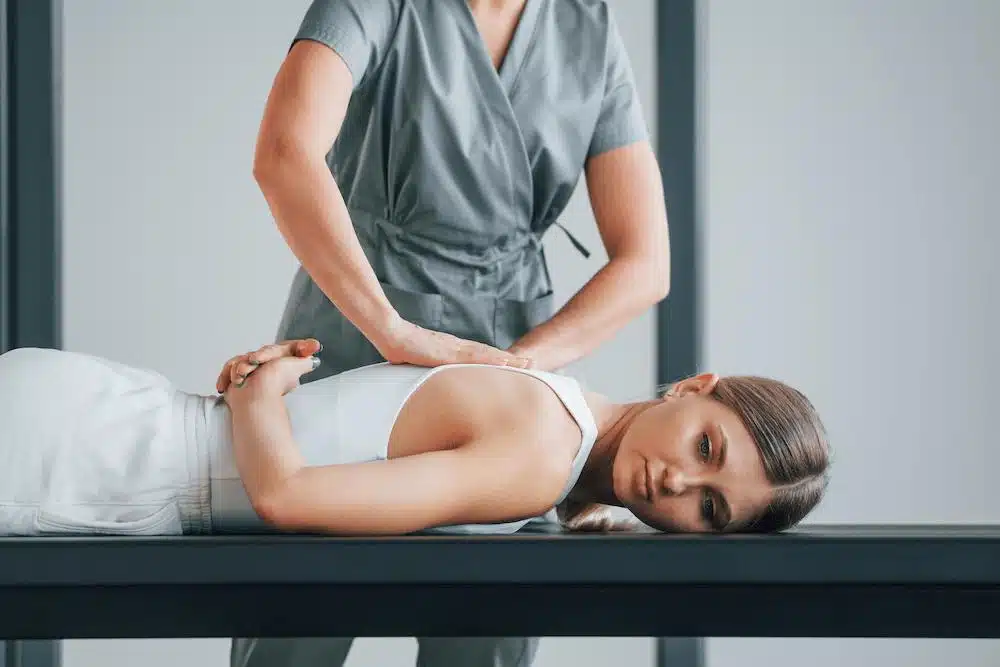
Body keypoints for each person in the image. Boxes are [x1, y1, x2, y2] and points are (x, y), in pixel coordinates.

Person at [253, 1, 670, 660]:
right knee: (298, 626)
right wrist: (391, 329)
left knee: (484, 635)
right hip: (356, 331)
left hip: (505, 366)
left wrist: (524, 367)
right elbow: (284, 153)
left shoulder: (585, 27)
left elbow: (647, 263)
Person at [0, 341, 830, 539]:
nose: (677, 484)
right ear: (695, 387)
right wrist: (259, 390)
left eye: (712, 509)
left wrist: (579, 507)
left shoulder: (551, 402)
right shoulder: (543, 452)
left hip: (97, 419)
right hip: (93, 464)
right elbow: (285, 496)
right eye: (707, 447)